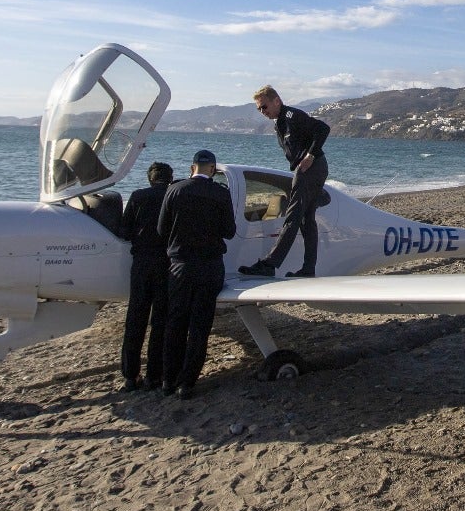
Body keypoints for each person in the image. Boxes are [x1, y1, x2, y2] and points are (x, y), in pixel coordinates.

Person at [158, 150, 236, 399]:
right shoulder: (221, 194)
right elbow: (229, 231)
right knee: (200, 326)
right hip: (210, 266)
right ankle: (187, 382)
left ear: (193, 168)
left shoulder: (174, 190)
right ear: (212, 169)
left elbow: (162, 229)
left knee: (176, 323)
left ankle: (168, 379)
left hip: (180, 266)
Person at [239, 86, 330, 278]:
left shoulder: (291, 116)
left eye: (264, 107)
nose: (263, 112)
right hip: (310, 169)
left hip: (310, 168)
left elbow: (323, 128)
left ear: (277, 101)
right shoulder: (279, 123)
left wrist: (310, 156)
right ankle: (308, 269)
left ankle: (270, 264)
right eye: (259, 109)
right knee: (306, 220)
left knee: (293, 215)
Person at [116, 161, 173, 391]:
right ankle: (153, 376)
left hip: (141, 264)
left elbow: (124, 230)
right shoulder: (173, 196)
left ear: (150, 179)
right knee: (160, 321)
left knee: (135, 319)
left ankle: (130, 376)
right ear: (170, 178)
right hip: (166, 263)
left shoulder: (138, 196)